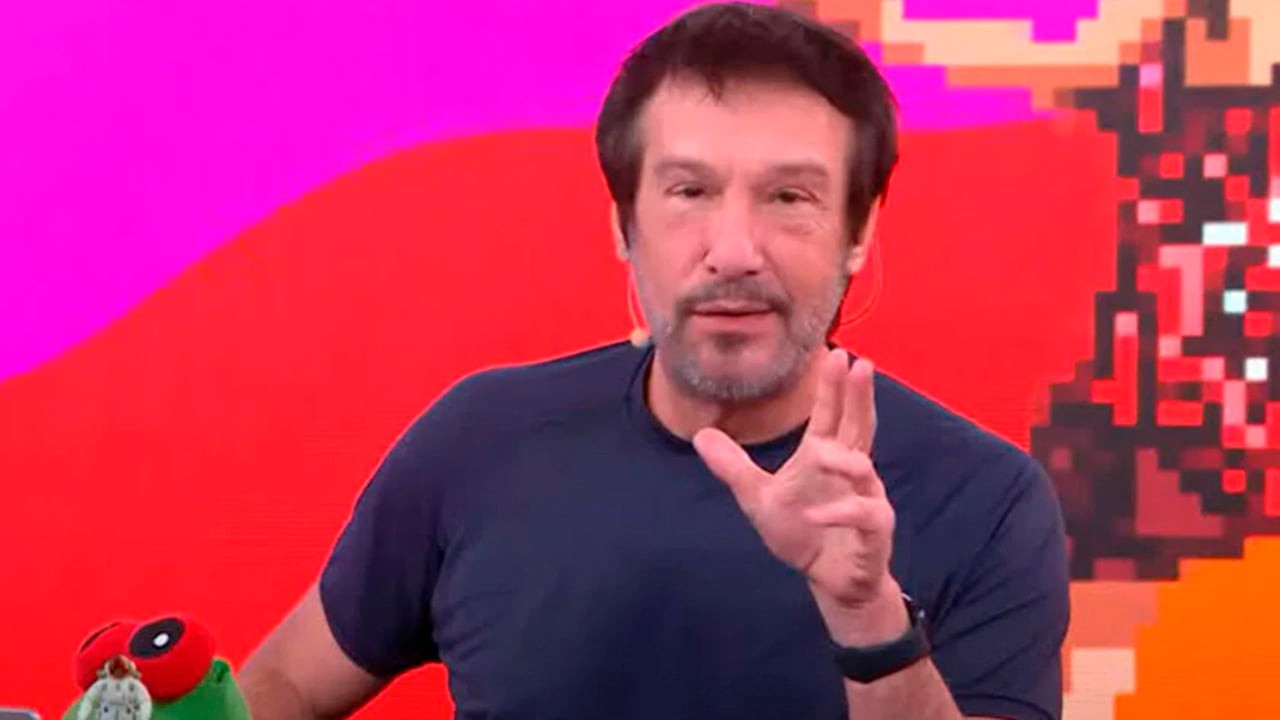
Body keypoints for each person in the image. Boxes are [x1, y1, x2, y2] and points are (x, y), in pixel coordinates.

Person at [238, 3, 1070, 719]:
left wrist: (868, 616)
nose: (734, 250)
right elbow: (284, 686)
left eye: (789, 197)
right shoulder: (478, 442)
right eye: (689, 192)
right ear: (622, 223)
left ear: (859, 232)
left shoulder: (988, 503)